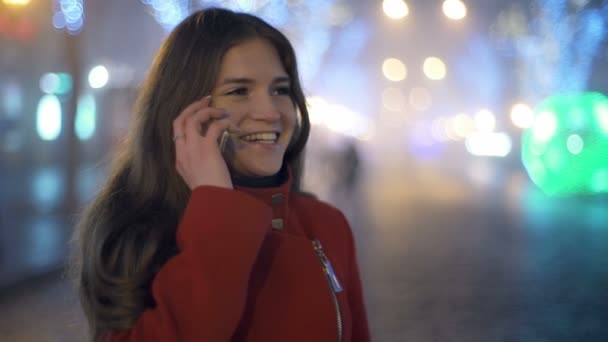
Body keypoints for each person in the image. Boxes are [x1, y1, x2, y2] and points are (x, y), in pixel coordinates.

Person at [72, 7, 370, 342]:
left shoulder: (326, 225)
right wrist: (216, 206)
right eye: (239, 91)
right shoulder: (136, 236)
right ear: (182, 109)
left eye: (280, 90)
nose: (270, 112)